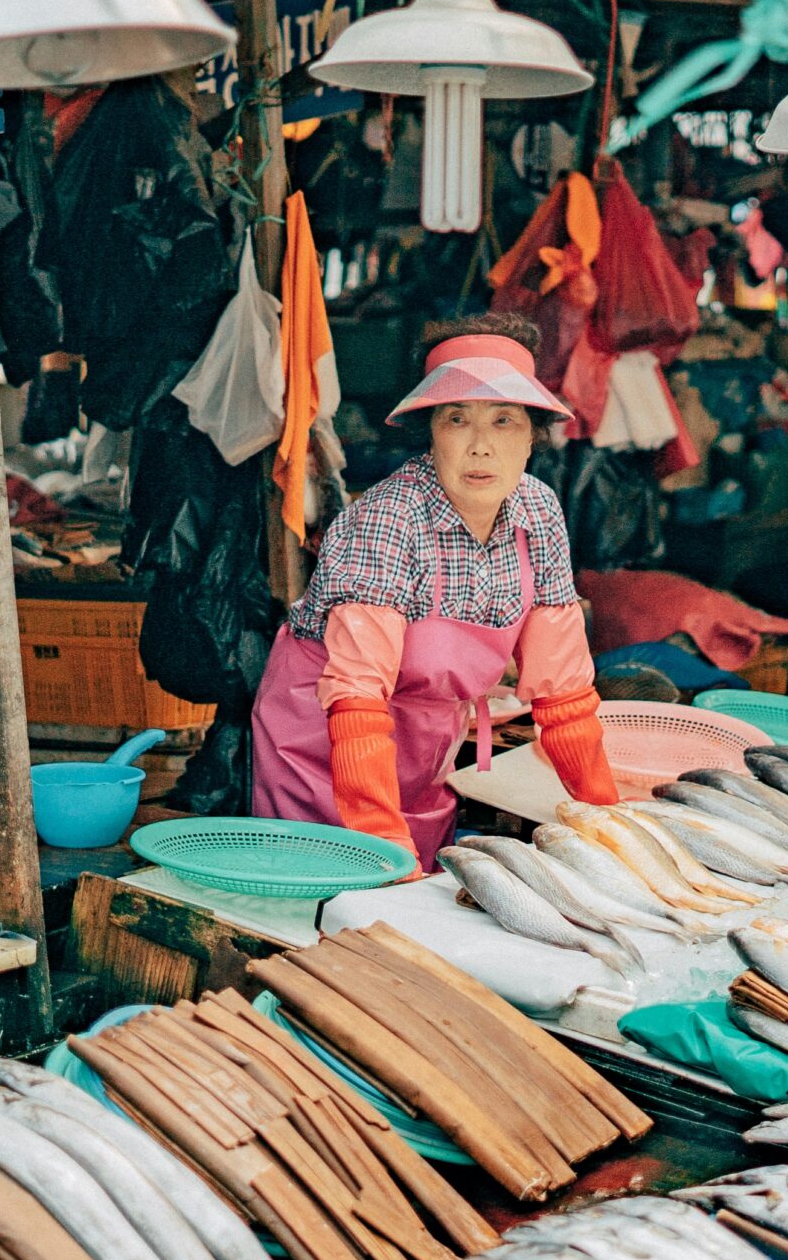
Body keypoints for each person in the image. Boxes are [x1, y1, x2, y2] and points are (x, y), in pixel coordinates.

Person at [251, 315, 617, 866]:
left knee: (420, 887)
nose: (480, 446)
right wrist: (381, 841)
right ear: (431, 434)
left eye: (503, 421)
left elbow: (562, 693)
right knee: (329, 889)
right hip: (323, 738)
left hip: (425, 739)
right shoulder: (389, 519)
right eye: (456, 420)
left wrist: (608, 821)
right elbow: (356, 696)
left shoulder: (538, 512)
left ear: (531, 438)